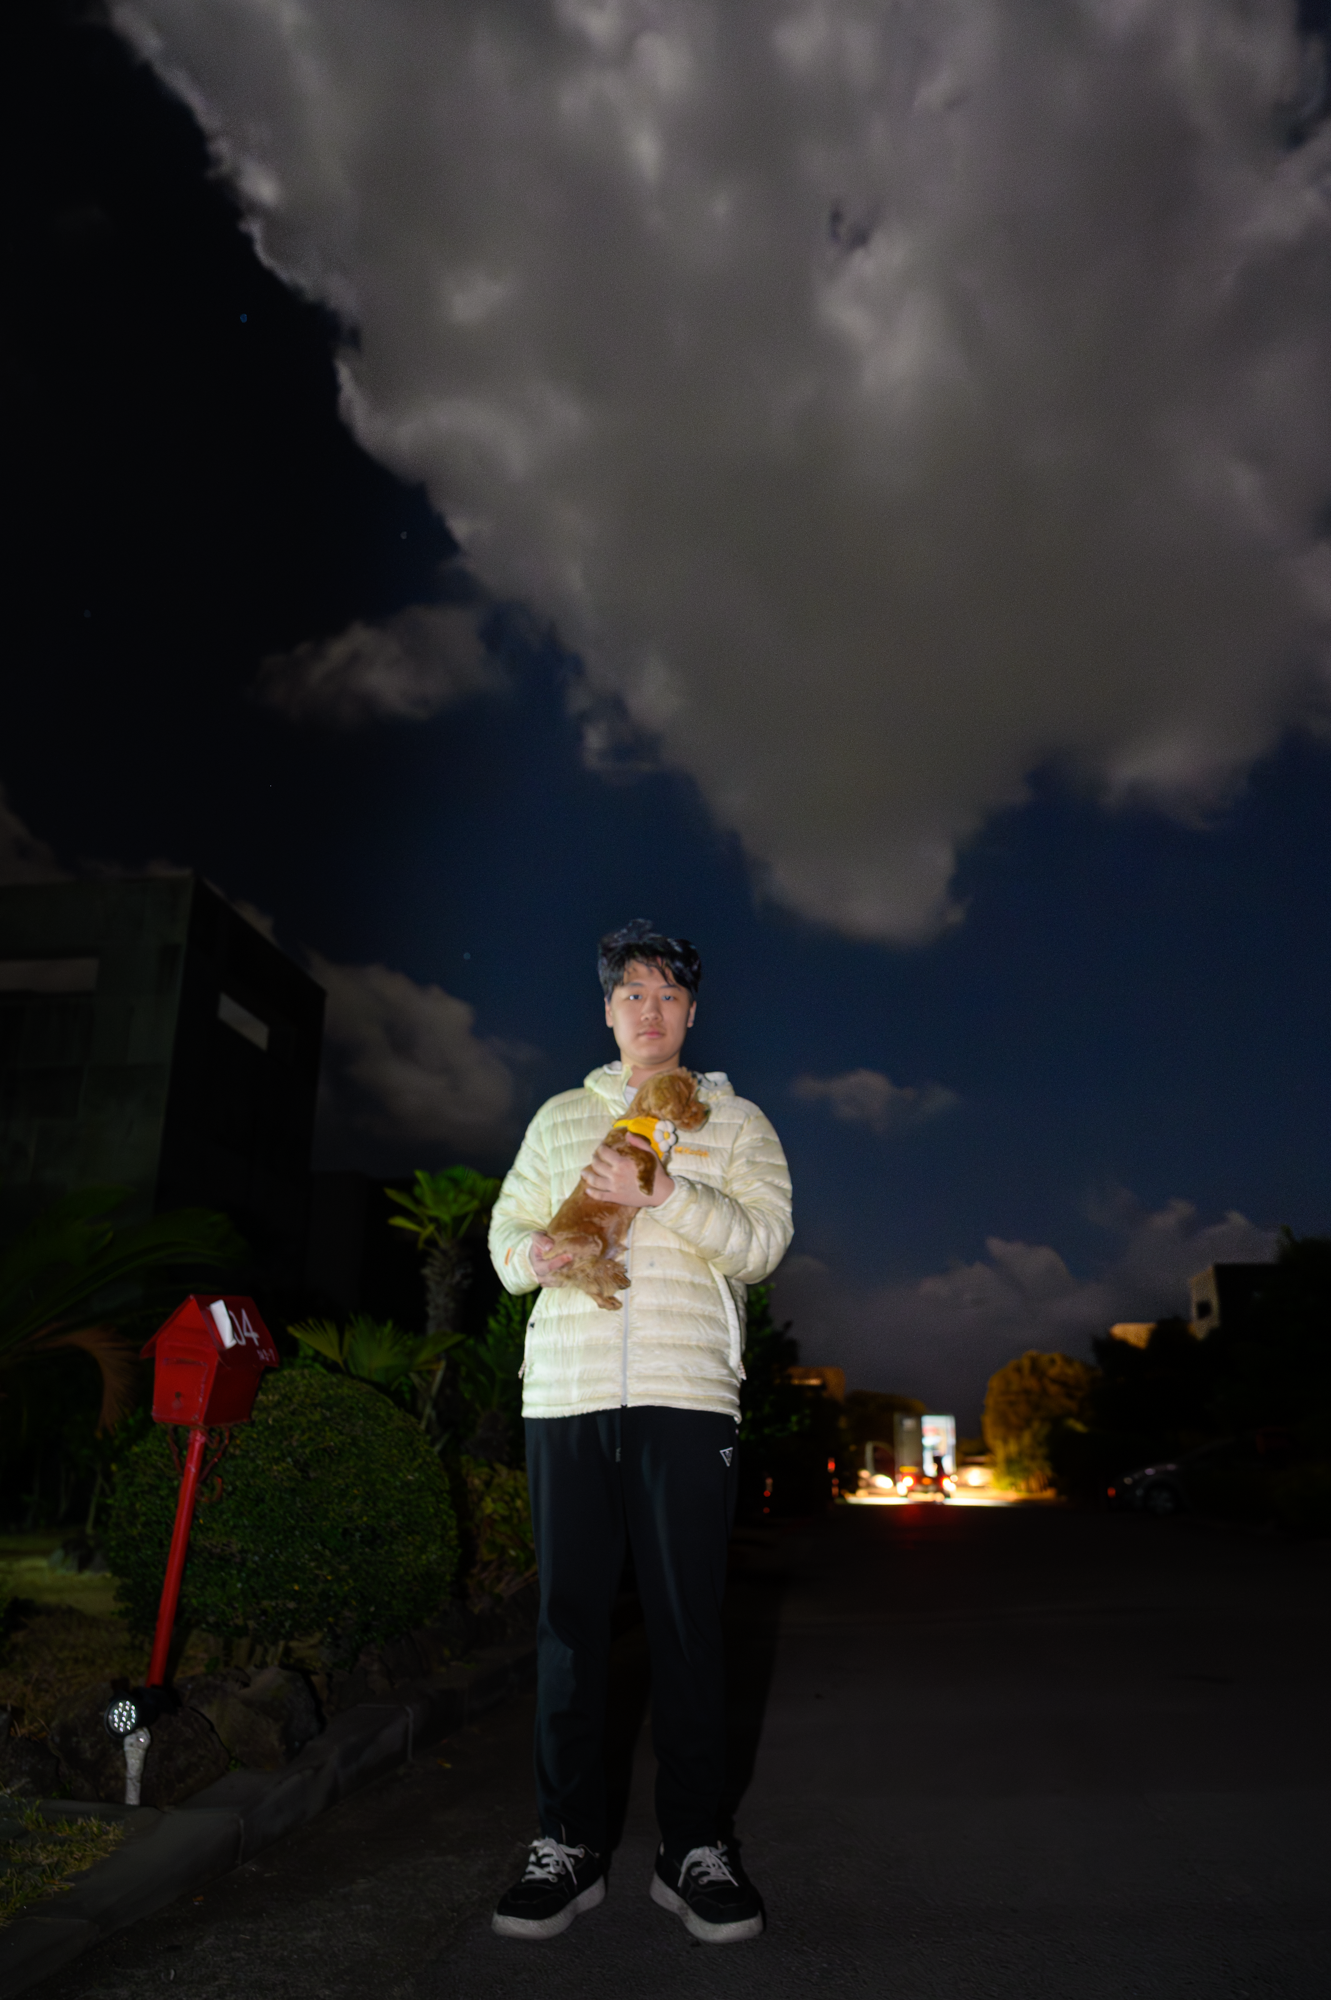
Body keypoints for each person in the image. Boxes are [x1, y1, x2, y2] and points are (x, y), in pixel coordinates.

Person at [487, 919, 793, 1946]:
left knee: (686, 1625)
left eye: (667, 994)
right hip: (566, 1395)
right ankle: (565, 1845)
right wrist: (536, 1253)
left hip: (684, 1393)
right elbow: (504, 1233)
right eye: (631, 992)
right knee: (569, 1626)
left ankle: (692, 1847)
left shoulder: (734, 1120)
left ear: (691, 1012)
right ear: (607, 1009)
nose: (648, 1010)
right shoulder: (559, 1118)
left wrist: (665, 1192)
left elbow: (762, 1243)